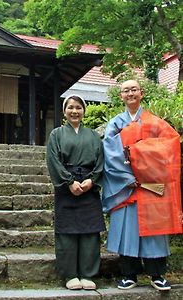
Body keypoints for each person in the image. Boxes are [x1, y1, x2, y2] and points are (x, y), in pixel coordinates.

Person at [102, 79, 182, 291]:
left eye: (134, 89)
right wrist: (130, 176)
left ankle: (157, 275)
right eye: (126, 90)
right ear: (121, 96)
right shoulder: (115, 123)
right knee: (127, 231)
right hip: (127, 186)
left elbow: (170, 145)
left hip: (151, 185)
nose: (130, 93)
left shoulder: (156, 123)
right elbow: (110, 153)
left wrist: (141, 155)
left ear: (141, 93)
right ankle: (130, 274)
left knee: (155, 232)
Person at [46, 95, 105, 290]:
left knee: (90, 231)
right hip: (66, 187)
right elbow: (53, 160)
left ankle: (88, 274)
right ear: (64, 112)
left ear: (83, 111)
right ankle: (70, 274)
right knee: (67, 232)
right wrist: (69, 182)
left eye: (78, 107)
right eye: (70, 107)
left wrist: (92, 180)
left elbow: (101, 161)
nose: (74, 111)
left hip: (89, 185)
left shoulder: (94, 136)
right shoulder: (56, 134)